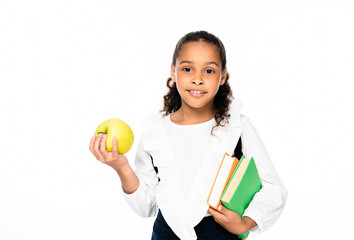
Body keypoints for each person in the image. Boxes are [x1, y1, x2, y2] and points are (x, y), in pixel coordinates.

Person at [89, 30, 287, 240]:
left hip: (219, 232)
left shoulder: (236, 126)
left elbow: (274, 188)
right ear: (173, 72)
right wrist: (121, 166)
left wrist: (245, 223)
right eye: (187, 69)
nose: (198, 79)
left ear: (223, 77)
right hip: (166, 232)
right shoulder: (156, 132)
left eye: (209, 71)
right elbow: (146, 206)